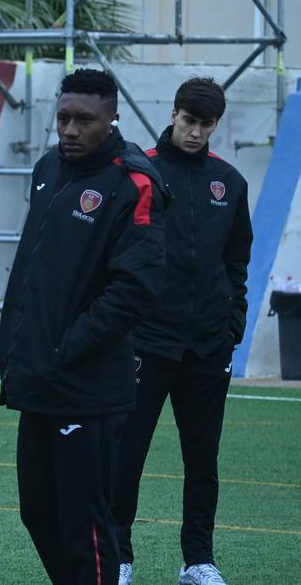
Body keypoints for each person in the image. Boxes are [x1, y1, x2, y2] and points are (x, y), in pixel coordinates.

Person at [0, 68, 168, 585]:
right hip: (41, 376)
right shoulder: (49, 167)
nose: (69, 130)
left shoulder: (133, 182)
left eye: (84, 120)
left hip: (87, 384)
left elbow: (134, 288)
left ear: (112, 118)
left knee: (85, 525)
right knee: (39, 513)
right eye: (63, 118)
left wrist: (69, 345)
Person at [112, 78, 252, 585]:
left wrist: (233, 322)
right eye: (188, 121)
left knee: (203, 459)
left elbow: (237, 261)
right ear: (173, 114)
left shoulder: (229, 183)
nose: (195, 132)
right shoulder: (138, 172)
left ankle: (198, 561)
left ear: (216, 125)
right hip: (146, 342)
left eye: (205, 124)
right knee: (127, 454)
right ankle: (118, 557)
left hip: (209, 345)